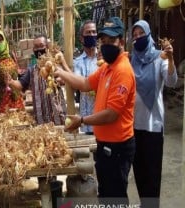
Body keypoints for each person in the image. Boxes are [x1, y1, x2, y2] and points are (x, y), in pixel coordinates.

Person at [54, 17, 136, 204]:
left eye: (111, 41)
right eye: (103, 41)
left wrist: (82, 120)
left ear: (121, 42)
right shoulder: (107, 67)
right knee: (107, 193)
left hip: (118, 147)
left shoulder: (122, 71)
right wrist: (60, 72)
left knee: (115, 196)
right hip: (106, 143)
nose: (105, 45)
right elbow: (84, 83)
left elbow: (111, 114)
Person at [130, 20, 177, 208]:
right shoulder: (130, 60)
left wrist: (171, 59)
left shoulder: (160, 57)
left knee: (152, 176)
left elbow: (172, 81)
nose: (138, 37)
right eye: (135, 35)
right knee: (139, 174)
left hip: (153, 127)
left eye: (141, 33)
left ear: (148, 35)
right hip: (133, 127)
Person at [8, 34, 67, 124]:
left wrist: (63, 69)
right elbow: (20, 85)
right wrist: (11, 82)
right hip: (41, 121)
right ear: (33, 50)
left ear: (47, 47)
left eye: (41, 46)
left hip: (58, 118)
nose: (39, 50)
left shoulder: (56, 67)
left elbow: (68, 81)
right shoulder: (32, 71)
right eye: (36, 47)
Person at [74, 20, 98, 135]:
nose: (92, 35)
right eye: (88, 33)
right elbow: (80, 84)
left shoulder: (103, 59)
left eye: (94, 32)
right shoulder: (77, 62)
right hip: (87, 119)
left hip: (103, 118)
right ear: (82, 38)